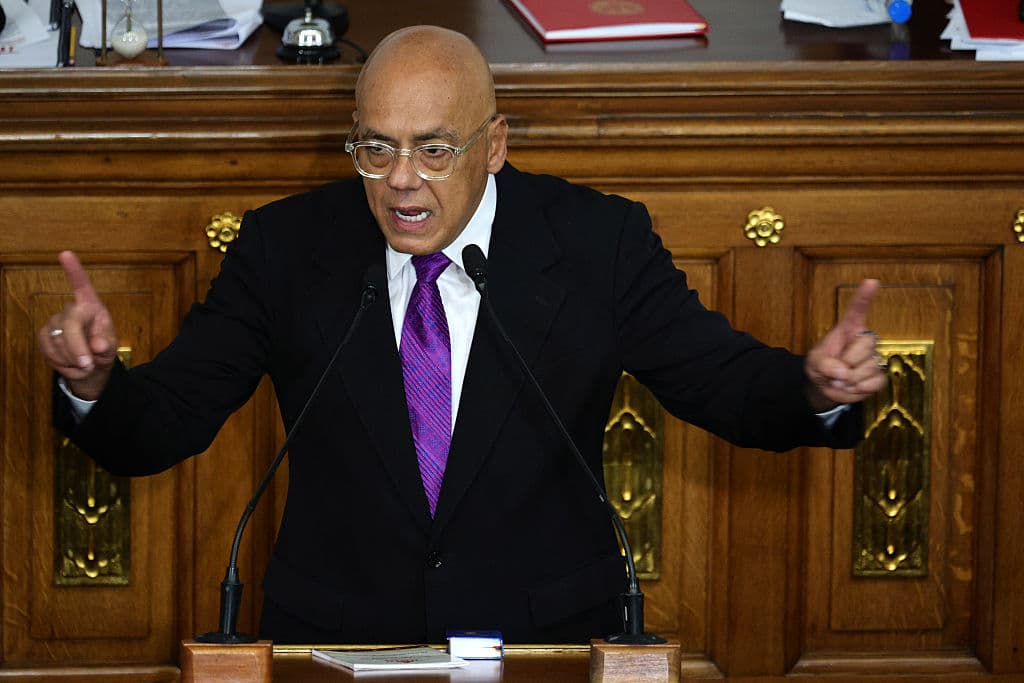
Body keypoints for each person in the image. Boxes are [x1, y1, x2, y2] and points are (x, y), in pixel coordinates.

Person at [37, 26, 886, 645]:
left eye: (433, 149)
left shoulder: (597, 243)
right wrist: (95, 382)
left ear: (495, 145)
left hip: (544, 638)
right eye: (375, 148)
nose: (401, 180)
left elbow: (721, 380)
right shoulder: (286, 248)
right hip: (337, 640)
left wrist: (814, 386)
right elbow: (168, 417)